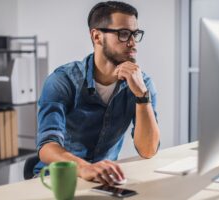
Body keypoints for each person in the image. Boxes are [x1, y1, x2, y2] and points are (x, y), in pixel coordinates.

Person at [34, 1, 160, 186]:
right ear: (97, 36)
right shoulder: (63, 81)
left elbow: (148, 150)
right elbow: (47, 147)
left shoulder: (142, 84)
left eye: (135, 34)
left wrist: (142, 96)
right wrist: (85, 167)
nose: (132, 42)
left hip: (104, 180)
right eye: (124, 34)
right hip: (56, 179)